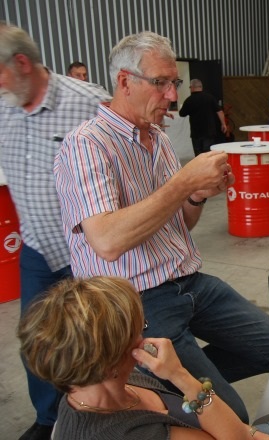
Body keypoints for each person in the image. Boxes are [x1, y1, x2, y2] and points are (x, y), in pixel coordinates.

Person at [53, 31, 269, 424]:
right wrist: (183, 182)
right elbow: (107, 242)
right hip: (138, 301)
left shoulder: (159, 140)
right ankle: (173, 386)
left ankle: (163, 385)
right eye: (160, 83)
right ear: (124, 81)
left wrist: (196, 195)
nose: (171, 96)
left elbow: (182, 220)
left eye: (174, 83)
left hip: (189, 281)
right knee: (230, 415)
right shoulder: (86, 144)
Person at [17, 276, 269, 440]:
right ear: (109, 358)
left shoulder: (105, 385)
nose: (148, 334)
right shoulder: (134, 433)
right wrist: (180, 375)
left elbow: (237, 431)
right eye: (140, 328)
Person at [0, 22, 111, 440]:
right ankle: (49, 421)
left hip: (87, 251)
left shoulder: (87, 102)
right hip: (37, 250)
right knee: (38, 341)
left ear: (22, 63)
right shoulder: (4, 105)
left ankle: (106, 414)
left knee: (99, 339)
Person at [179, 78, 228, 156]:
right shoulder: (210, 97)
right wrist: (223, 124)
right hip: (209, 131)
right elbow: (220, 111)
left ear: (192, 87)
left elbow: (182, 114)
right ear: (201, 87)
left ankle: (200, 167)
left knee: (198, 154)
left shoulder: (189, 100)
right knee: (208, 153)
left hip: (196, 132)